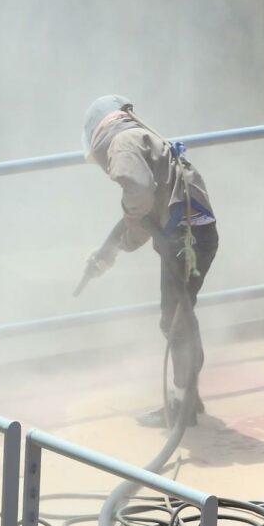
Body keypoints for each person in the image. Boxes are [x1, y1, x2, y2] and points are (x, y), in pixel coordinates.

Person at [82, 95, 220, 428]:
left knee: (174, 321)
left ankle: (182, 405)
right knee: (180, 316)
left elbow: (140, 195)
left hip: (184, 241)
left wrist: (127, 232)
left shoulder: (121, 144)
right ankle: (190, 397)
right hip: (194, 236)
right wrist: (111, 253)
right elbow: (145, 214)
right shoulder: (143, 140)